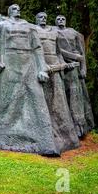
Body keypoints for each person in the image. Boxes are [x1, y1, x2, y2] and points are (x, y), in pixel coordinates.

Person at [0, 4, 59, 155]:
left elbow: (37, 48)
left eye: (18, 8)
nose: (17, 9)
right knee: (4, 102)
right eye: (13, 8)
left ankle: (44, 142)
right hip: (8, 67)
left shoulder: (30, 27)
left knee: (37, 101)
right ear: (9, 11)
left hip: (28, 66)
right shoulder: (2, 26)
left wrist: (42, 69)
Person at [35, 12, 80, 153]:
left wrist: (63, 65)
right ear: (36, 19)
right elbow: (34, 51)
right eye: (40, 17)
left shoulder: (54, 32)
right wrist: (40, 66)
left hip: (56, 68)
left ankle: (63, 134)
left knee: (58, 101)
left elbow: (59, 53)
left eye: (45, 17)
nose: (43, 18)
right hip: (42, 69)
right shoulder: (33, 30)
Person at [55, 15, 94, 137]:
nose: (61, 20)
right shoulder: (53, 32)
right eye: (58, 19)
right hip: (63, 66)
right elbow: (56, 51)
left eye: (63, 19)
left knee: (77, 97)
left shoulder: (73, 32)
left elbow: (81, 52)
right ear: (55, 22)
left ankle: (80, 126)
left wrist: (84, 69)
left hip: (76, 69)